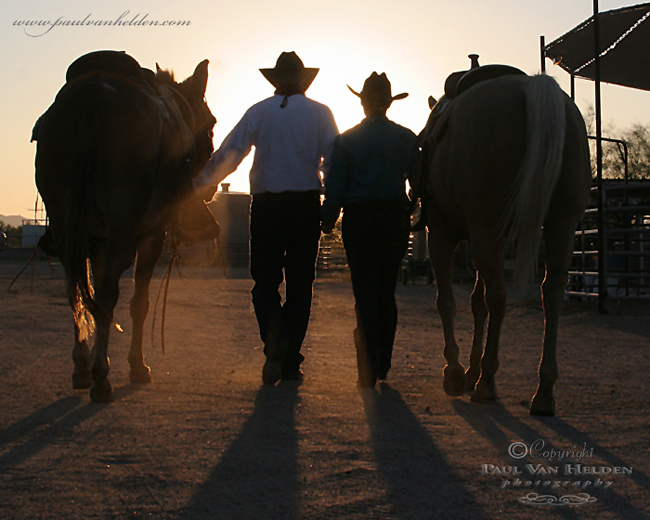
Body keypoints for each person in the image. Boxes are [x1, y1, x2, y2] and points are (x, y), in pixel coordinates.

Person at [193, 52, 339, 384]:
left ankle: (275, 343)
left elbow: (232, 152)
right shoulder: (321, 113)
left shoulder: (259, 111)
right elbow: (332, 161)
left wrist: (202, 183)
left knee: (264, 283)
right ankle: (289, 359)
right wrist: (332, 203)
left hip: (267, 208)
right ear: (304, 80)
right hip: (304, 206)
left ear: (275, 81)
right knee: (301, 285)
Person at [321, 72, 418, 388]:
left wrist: (327, 218)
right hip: (393, 218)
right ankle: (383, 363)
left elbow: (336, 186)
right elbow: (418, 183)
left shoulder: (346, 141)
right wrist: (415, 210)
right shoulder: (406, 138)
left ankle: (367, 367)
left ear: (362, 103)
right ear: (389, 104)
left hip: (359, 217)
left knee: (364, 292)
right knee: (386, 291)